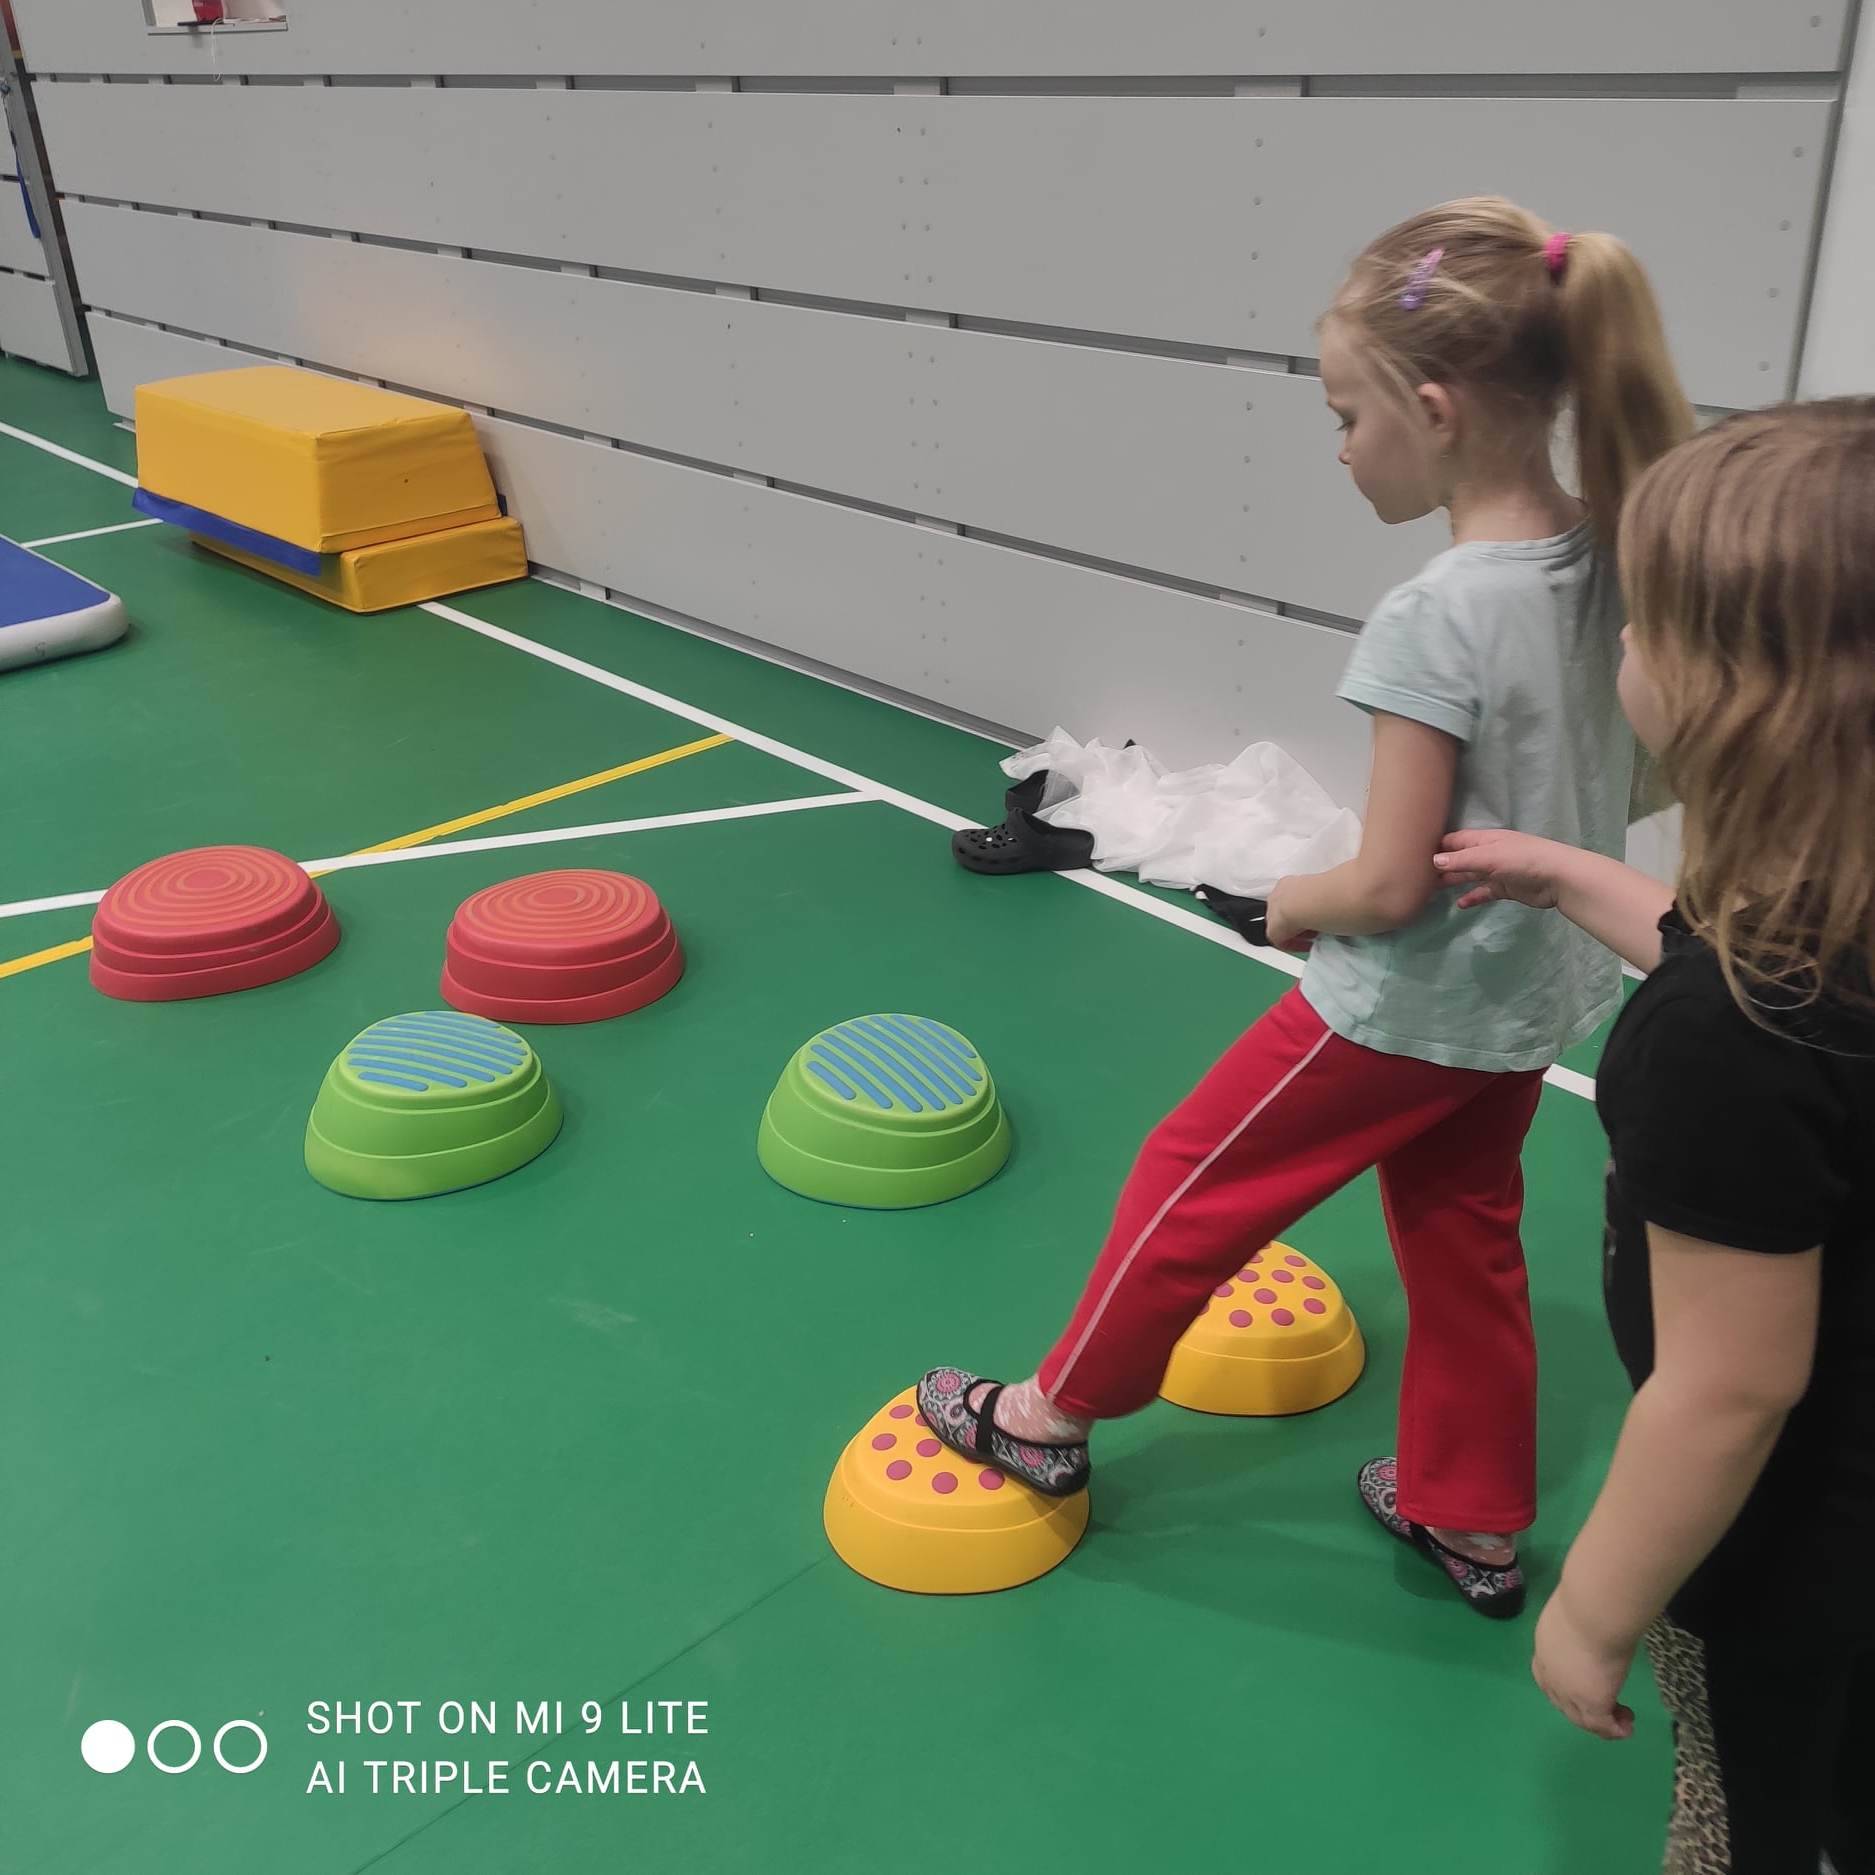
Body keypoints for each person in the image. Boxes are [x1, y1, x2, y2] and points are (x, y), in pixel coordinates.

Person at [915, 196, 1692, 1616]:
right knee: (1463, 1236)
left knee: (1188, 1177)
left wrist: (1292, 901)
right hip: (1528, 1001)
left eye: (1346, 416)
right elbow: (1630, 777)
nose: (1339, 447)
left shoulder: (1435, 614)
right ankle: (1471, 1517)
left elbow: (1386, 888)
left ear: (1435, 411)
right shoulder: (1604, 556)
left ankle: (1044, 1418)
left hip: (1402, 1004)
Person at [1437, 399, 1875, 1870]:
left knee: (1751, 1816)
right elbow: (1732, 956)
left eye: (1650, 623)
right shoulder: (1827, 943)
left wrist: (1598, 1605)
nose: (1621, 640)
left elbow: (1726, 1393)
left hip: (1780, 1546)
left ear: (1743, 701)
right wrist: (1569, 873)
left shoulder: (1722, 1040)